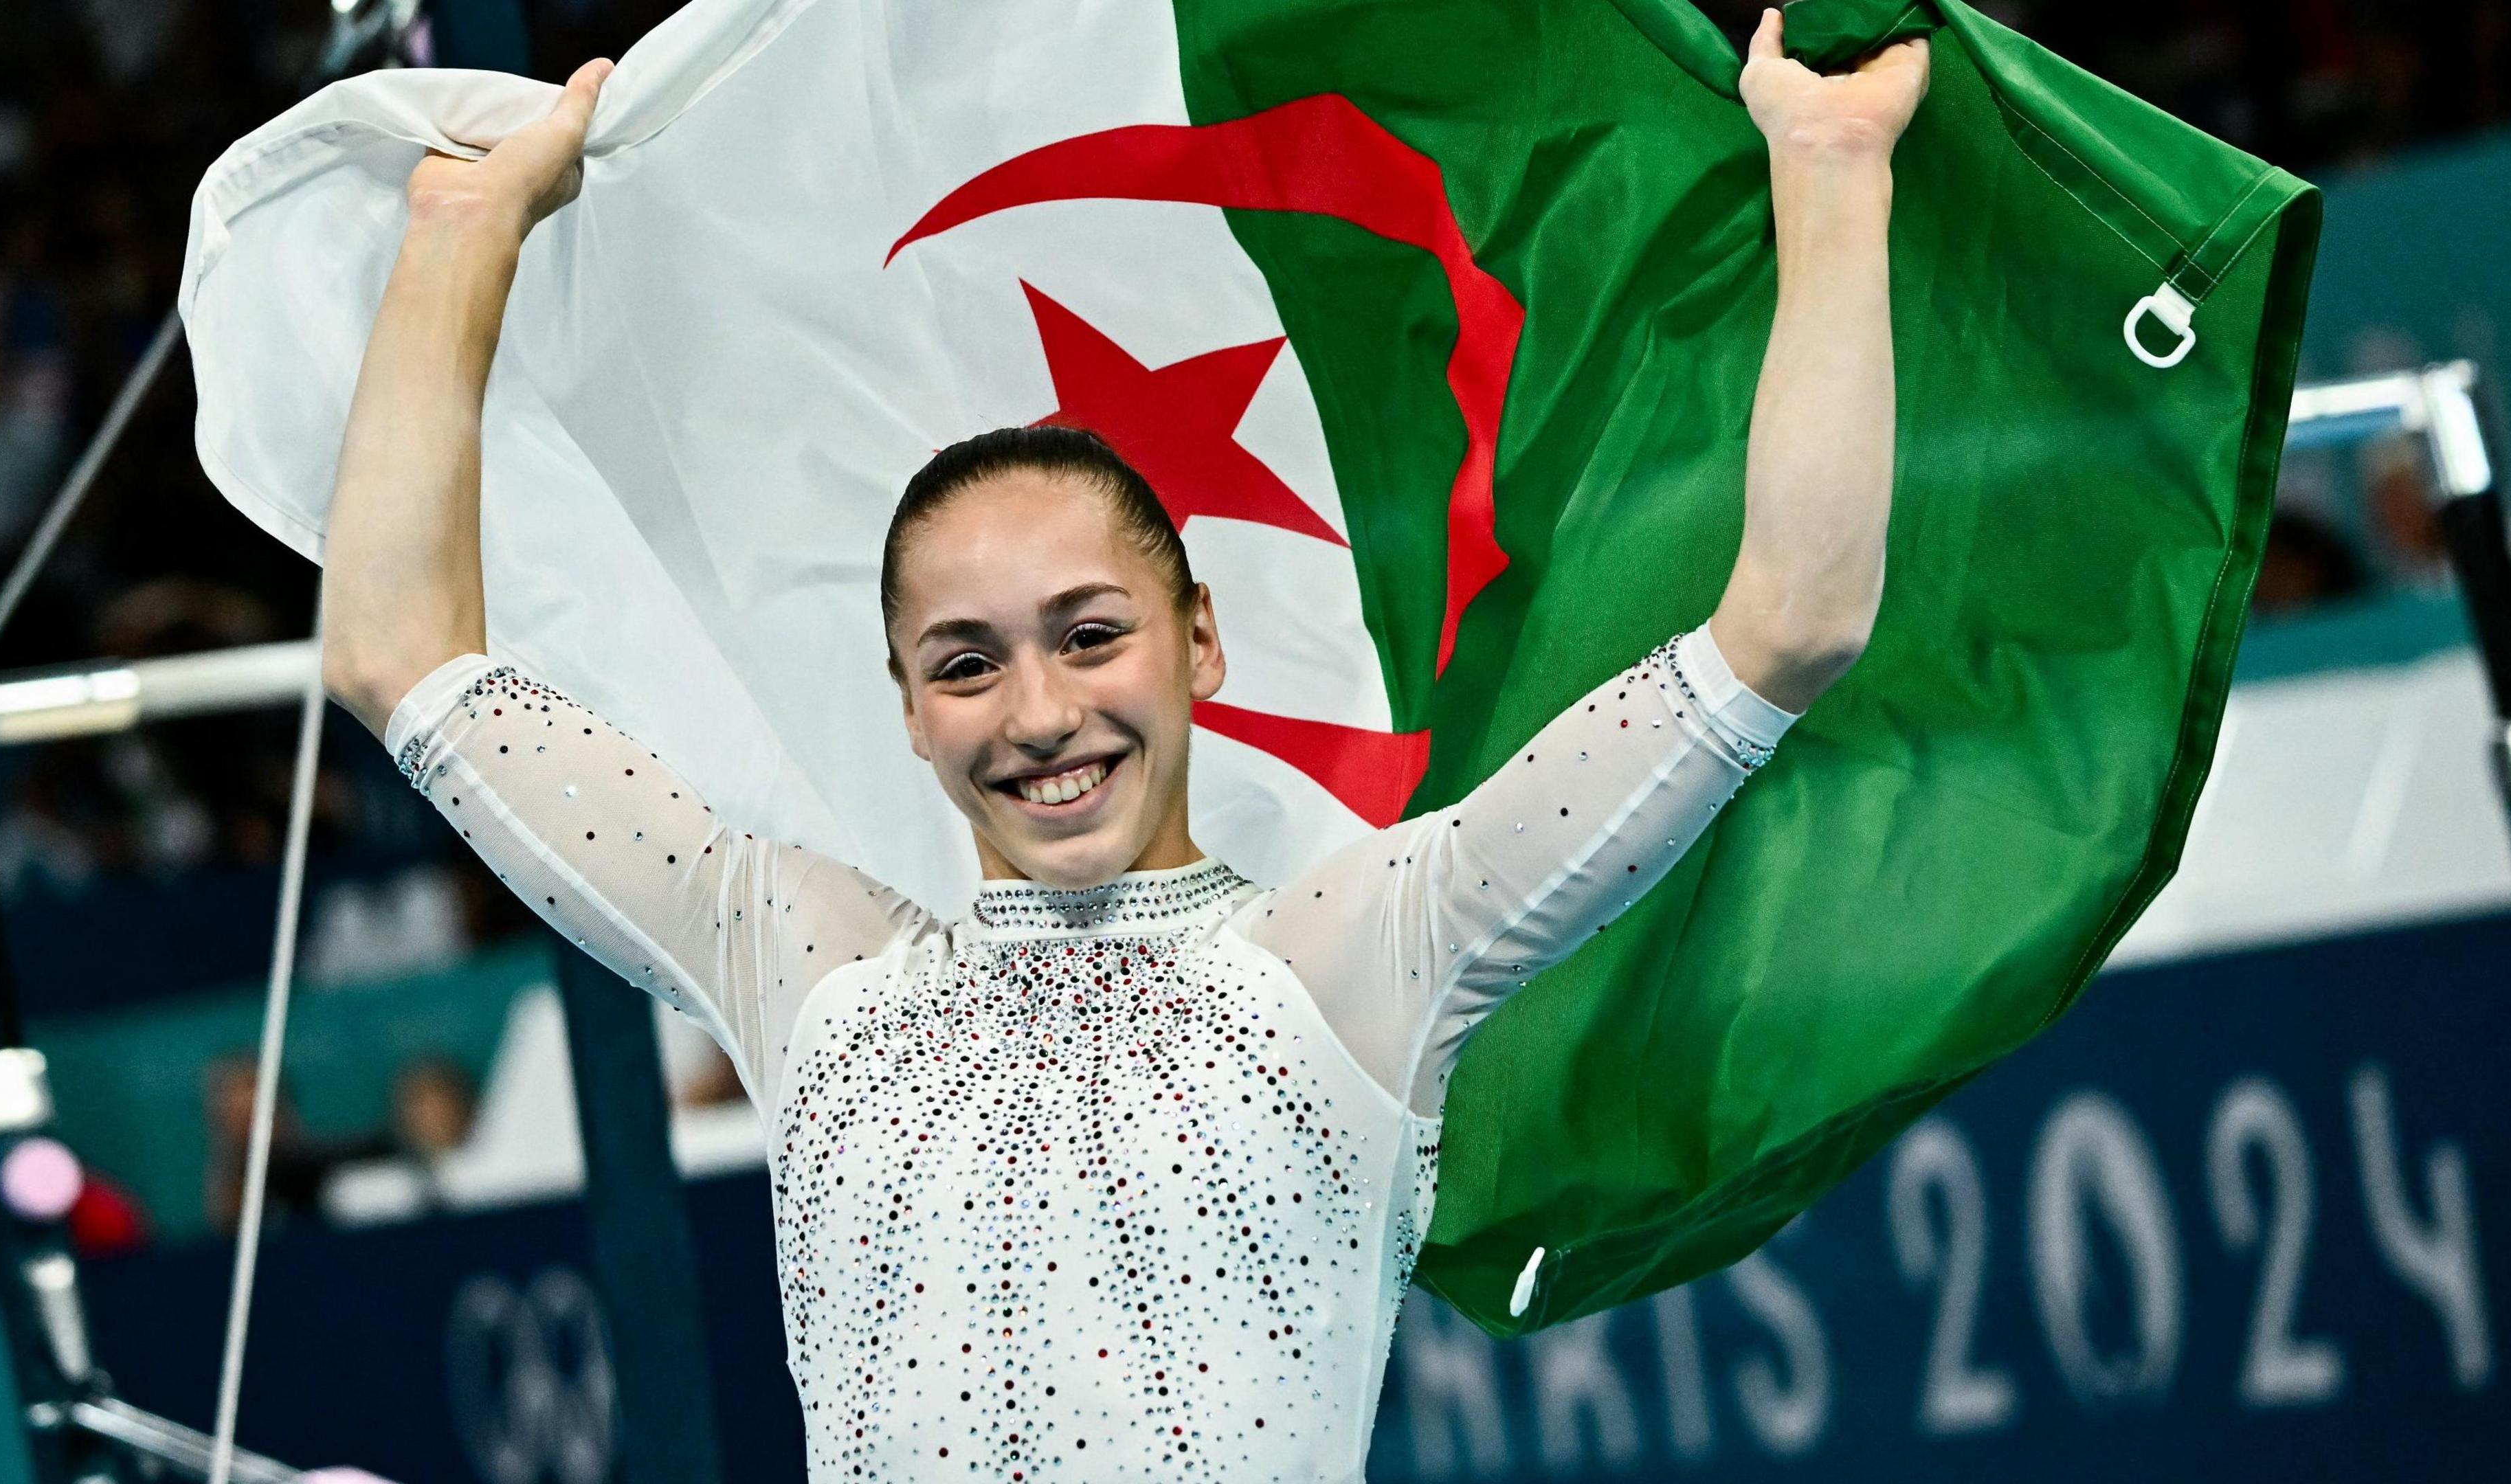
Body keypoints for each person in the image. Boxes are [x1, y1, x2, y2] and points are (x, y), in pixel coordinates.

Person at [315, 11, 1924, 1479]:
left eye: (1092, 635)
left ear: (1200, 643)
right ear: (905, 705)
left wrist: (1832, 180)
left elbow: (1788, 623)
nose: (1039, 714)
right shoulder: (805, 963)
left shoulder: (1360, 952)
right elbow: (401, 660)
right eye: (968, 663)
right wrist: (463, 235)